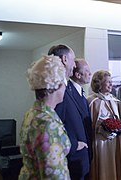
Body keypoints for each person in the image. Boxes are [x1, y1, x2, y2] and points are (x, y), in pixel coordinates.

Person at [19, 55, 71, 179]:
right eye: (64, 83)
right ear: (57, 86)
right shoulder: (47, 123)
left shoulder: (33, 113)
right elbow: (53, 174)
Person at [48, 45, 91, 180]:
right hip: (70, 158)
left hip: (79, 159)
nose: (74, 65)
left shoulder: (68, 87)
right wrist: (73, 145)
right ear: (65, 59)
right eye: (72, 60)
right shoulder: (57, 88)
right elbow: (53, 124)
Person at [87, 70, 121, 180]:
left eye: (111, 81)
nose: (111, 84)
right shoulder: (92, 101)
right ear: (99, 84)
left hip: (114, 141)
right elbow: (89, 124)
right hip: (100, 143)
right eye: (107, 82)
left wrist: (117, 128)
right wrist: (101, 129)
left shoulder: (115, 101)